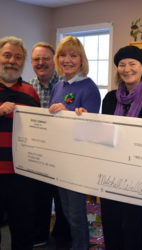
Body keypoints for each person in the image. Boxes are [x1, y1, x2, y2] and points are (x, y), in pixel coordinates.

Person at [49, 35, 101, 250]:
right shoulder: (58, 86)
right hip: (59, 158)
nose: (67, 59)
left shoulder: (89, 88)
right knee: (66, 213)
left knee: (77, 216)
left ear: (82, 60)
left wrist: (70, 113)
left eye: (73, 55)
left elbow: (90, 128)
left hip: (77, 162)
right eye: (62, 55)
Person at [100, 45, 142, 250]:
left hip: (137, 173)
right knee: (110, 225)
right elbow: (104, 132)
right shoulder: (110, 98)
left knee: (132, 227)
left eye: (133, 64)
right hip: (111, 172)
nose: (127, 68)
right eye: (122, 64)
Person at [29, 41, 71, 248]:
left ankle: (62, 238)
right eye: (37, 59)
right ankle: (40, 237)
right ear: (32, 62)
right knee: (39, 200)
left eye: (46, 58)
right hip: (37, 155)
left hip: (63, 155)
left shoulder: (67, 85)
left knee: (63, 202)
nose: (41, 62)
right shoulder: (27, 88)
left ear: (53, 61)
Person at [0, 36, 40, 250]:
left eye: (18, 57)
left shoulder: (30, 92)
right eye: (7, 55)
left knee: (23, 229)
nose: (12, 61)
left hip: (22, 173)